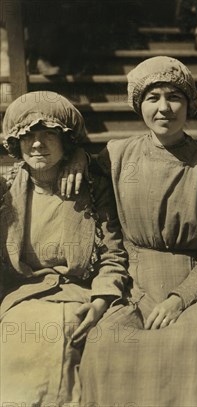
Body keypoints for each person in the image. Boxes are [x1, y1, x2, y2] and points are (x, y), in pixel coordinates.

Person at [77, 56, 197, 405]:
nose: (164, 108)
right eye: (153, 98)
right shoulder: (115, 156)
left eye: (174, 97)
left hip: (189, 287)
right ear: (139, 105)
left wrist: (180, 298)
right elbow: (74, 162)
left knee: (189, 344)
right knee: (105, 342)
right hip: (132, 284)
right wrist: (74, 162)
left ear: (189, 104)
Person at [0, 91, 129, 404]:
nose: (37, 144)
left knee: (63, 334)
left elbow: (113, 255)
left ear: (67, 141)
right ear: (16, 143)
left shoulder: (91, 186)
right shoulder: (6, 190)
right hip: (22, 295)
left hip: (77, 294)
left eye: (48, 135)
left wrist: (101, 300)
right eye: (28, 136)